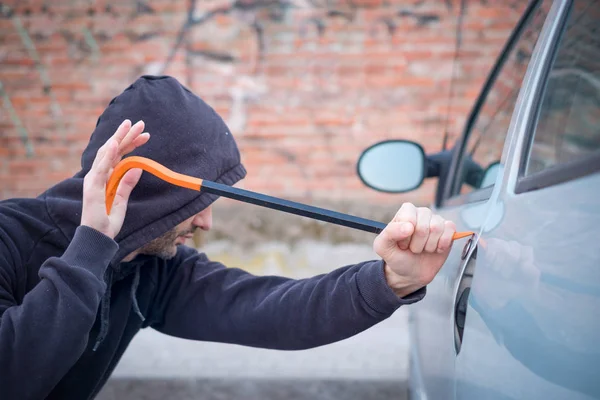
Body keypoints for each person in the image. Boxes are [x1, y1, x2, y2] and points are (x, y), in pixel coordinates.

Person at [0, 75, 457, 400]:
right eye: (194, 206)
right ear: (144, 189)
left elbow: (273, 310)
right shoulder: (8, 238)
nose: (205, 224)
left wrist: (389, 281)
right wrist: (91, 247)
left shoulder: (152, 270)